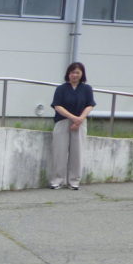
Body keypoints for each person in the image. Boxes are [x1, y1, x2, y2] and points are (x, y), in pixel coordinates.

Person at [49, 62, 96, 191]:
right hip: (62, 121)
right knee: (59, 152)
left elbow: (90, 105)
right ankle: (57, 180)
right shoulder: (61, 89)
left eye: (77, 72)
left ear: (82, 74)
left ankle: (74, 181)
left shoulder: (87, 89)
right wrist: (73, 118)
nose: (74, 75)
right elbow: (57, 106)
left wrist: (80, 119)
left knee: (77, 152)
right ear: (68, 74)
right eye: (72, 72)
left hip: (80, 123)